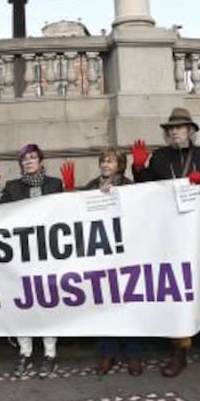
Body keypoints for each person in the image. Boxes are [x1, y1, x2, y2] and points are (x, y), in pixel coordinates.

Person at [131, 107, 200, 379]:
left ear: (190, 131)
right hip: (171, 235)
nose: (174, 132)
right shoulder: (159, 157)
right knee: (177, 290)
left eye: (179, 128)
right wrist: (138, 168)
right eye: (171, 129)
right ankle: (179, 350)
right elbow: (145, 192)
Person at [0, 144, 71, 377]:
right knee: (23, 303)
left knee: (48, 301)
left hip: (48, 253)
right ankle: (25, 351)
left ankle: (50, 353)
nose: (29, 161)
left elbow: (66, 214)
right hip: (21, 254)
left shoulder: (54, 184)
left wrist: (71, 194)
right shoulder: (12, 187)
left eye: (33, 157)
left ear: (41, 161)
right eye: (24, 158)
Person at [83, 146, 142, 376]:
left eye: (110, 161)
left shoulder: (130, 187)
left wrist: (116, 197)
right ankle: (107, 352)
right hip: (100, 254)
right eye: (103, 161)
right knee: (105, 304)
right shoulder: (89, 187)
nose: (105, 165)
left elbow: (138, 212)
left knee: (129, 302)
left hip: (126, 253)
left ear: (120, 165)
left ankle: (133, 352)